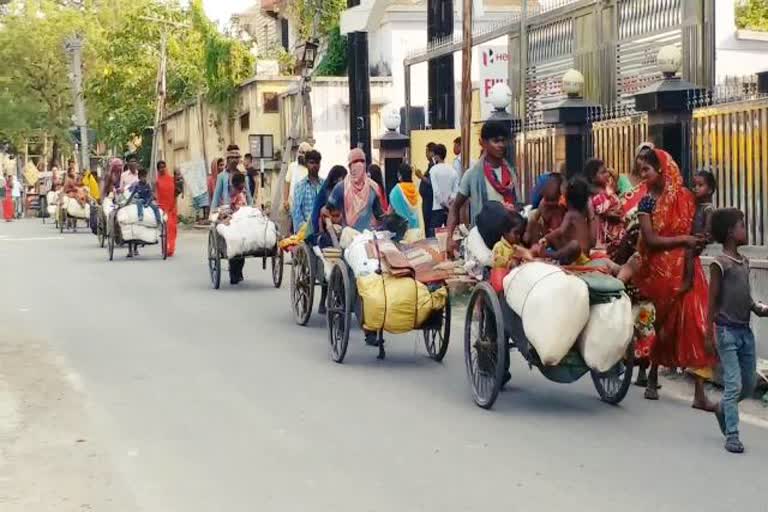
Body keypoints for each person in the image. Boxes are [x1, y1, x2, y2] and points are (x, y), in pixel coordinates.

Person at [632, 147, 715, 403]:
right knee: (661, 327)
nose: (642, 174)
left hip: (690, 270)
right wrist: (684, 240)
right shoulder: (646, 202)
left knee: (698, 326)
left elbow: (699, 227)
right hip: (659, 273)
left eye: (646, 169)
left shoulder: (686, 197)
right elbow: (651, 240)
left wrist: (699, 241)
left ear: (661, 169)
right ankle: (653, 373)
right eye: (640, 170)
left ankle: (700, 393)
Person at [708, 208, 767, 454]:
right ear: (731, 232)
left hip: (745, 332)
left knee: (749, 383)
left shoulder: (745, 261)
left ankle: (722, 408)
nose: (745, 229)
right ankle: (732, 434)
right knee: (733, 384)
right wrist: (706, 334)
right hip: (726, 333)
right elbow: (711, 303)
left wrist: (758, 308)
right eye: (742, 225)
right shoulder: (719, 264)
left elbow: (745, 296)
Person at [446, 120, 519, 257]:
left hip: (508, 243)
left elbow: (517, 205)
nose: (501, 145)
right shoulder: (472, 174)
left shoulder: (511, 173)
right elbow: (455, 207)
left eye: (503, 141)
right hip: (481, 243)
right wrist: (449, 238)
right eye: (496, 141)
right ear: (483, 143)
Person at [323, 148, 384, 233]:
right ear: (349, 166)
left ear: (366, 164)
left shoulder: (373, 187)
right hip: (348, 239)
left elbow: (379, 215)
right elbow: (327, 210)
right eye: (355, 162)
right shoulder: (341, 187)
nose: (359, 164)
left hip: (367, 237)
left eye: (362, 161)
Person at [537, 177, 594, 265]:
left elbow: (561, 231)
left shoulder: (571, 214)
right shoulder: (582, 215)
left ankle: (550, 255)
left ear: (567, 200)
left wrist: (546, 237)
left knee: (574, 245)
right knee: (570, 243)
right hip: (585, 256)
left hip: (577, 256)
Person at [584, 158, 624, 251]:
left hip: (619, 231)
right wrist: (610, 214)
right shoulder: (595, 197)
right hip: (607, 236)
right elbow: (603, 212)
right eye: (603, 173)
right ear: (593, 178)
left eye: (606, 171)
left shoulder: (608, 188)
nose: (607, 174)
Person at [525, 172, 565, 246]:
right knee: (534, 224)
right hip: (543, 236)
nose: (549, 204)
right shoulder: (543, 204)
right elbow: (533, 219)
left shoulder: (562, 205)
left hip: (557, 238)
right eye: (547, 200)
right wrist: (528, 232)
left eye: (553, 201)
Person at [389, 163, 425, 242]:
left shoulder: (396, 191)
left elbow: (391, 212)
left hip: (402, 234)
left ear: (400, 175)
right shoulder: (416, 190)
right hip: (417, 233)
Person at [211, 146, 252, 211]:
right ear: (228, 158)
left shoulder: (243, 174)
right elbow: (216, 198)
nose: (235, 160)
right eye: (232, 157)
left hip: (242, 211)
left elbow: (248, 195)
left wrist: (251, 210)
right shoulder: (221, 176)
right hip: (227, 212)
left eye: (237, 157)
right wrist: (212, 215)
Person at [292, 150, 324, 232]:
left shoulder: (324, 185)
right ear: (306, 164)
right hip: (304, 232)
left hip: (323, 230)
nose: (315, 166)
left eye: (317, 163)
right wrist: (305, 230)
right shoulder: (300, 186)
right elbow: (297, 213)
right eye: (312, 162)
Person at [429, 143, 459, 232]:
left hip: (438, 207)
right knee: (450, 232)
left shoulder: (433, 170)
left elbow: (436, 191)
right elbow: (456, 190)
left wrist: (443, 203)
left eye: (434, 155)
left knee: (434, 235)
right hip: (450, 207)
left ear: (437, 156)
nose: (433, 157)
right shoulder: (453, 170)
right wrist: (449, 202)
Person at [156, 160, 179, 257]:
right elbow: (155, 194)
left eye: (164, 167)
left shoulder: (171, 179)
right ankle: (167, 248)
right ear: (158, 169)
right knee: (167, 227)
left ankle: (171, 248)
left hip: (172, 206)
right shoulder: (157, 181)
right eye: (160, 167)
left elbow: (176, 191)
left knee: (173, 228)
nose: (162, 169)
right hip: (162, 207)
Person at [283, 141, 312, 216]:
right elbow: (287, 183)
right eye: (300, 152)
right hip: (292, 206)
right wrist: (285, 200)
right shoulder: (292, 166)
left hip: (307, 208)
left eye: (304, 152)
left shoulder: (311, 168)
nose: (301, 154)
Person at [418, 142, 436, 236]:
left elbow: (431, 182)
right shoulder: (430, 165)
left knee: (428, 223)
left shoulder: (434, 166)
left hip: (430, 200)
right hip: (426, 199)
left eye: (427, 151)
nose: (426, 154)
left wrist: (421, 176)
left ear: (432, 152)